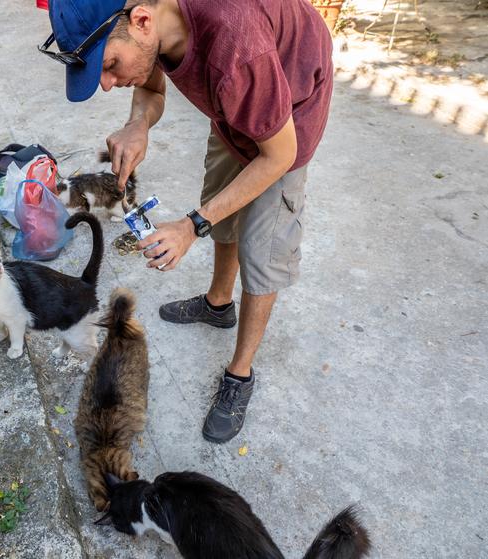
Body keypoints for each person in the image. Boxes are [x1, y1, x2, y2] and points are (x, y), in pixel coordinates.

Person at [40, 0, 333, 443]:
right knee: (222, 199)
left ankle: (240, 372)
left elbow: (278, 155)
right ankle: (218, 305)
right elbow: (152, 85)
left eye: (111, 65)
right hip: (241, 100)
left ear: (141, 20)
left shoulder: (236, 51)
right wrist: (138, 123)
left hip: (286, 106)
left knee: (263, 246)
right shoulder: (155, 25)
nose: (106, 84)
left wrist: (191, 225)